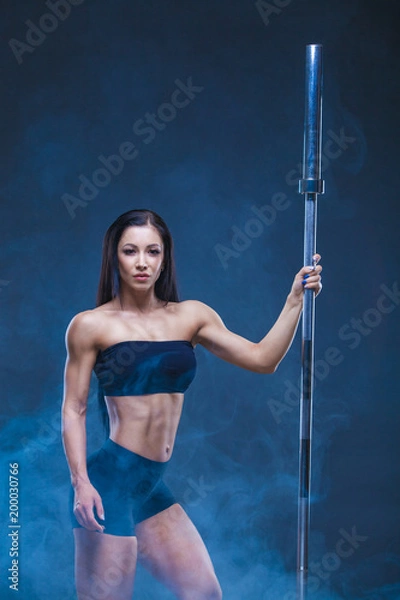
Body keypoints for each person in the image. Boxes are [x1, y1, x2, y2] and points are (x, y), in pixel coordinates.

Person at [62, 208, 322, 600]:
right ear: (114, 256)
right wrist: (81, 483)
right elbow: (74, 410)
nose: (142, 262)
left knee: (204, 594)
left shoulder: (191, 316)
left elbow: (263, 359)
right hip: (109, 482)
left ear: (165, 257)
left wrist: (293, 302)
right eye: (130, 251)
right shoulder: (91, 325)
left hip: (149, 484)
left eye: (153, 251)